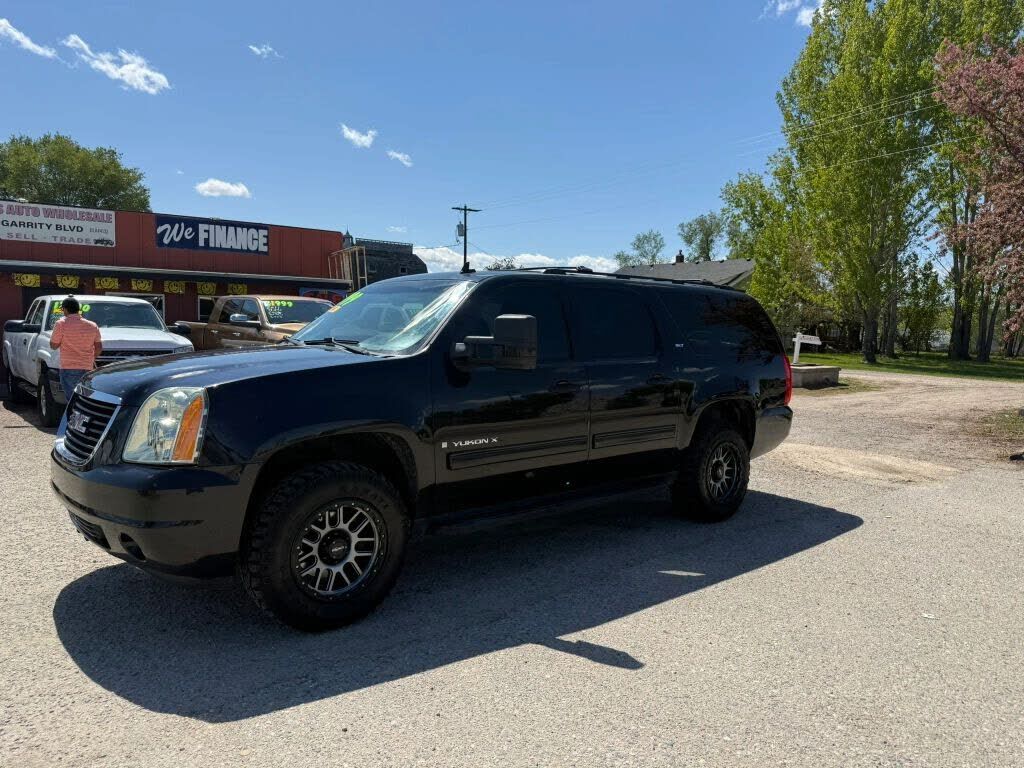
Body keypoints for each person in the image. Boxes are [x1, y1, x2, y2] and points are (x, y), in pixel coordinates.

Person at [49, 296, 102, 400]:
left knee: (72, 399)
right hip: (88, 367)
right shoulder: (92, 325)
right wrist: (91, 358)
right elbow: (99, 347)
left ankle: (72, 416)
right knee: (86, 398)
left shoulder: (61, 324)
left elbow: (54, 346)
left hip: (69, 367)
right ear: (78, 309)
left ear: (65, 309)